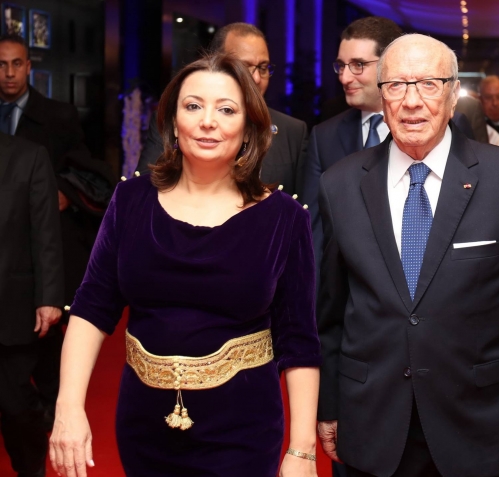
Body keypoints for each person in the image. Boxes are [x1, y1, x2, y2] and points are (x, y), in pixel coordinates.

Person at [316, 33, 499, 477]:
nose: (411, 101)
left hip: (481, 425)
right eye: (397, 85)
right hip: (374, 423)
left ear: (454, 94)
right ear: (381, 96)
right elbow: (330, 317)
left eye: (429, 84)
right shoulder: (339, 185)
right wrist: (329, 406)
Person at [49, 54, 321, 477]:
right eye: (193, 106)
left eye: (226, 110)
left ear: (249, 127)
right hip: (143, 424)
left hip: (244, 430)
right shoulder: (130, 201)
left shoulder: (284, 218)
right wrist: (68, 407)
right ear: (174, 122)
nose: (207, 121)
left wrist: (302, 451)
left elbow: (299, 339)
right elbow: (92, 307)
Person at [0, 33, 114, 431]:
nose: (9, 72)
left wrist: (63, 191)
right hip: (5, 244)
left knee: (44, 345)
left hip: (45, 242)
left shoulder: (57, 116)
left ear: (29, 67)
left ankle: (47, 418)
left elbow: (86, 168)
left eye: (16, 63)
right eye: (2, 64)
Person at [301, 16, 477, 271]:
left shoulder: (448, 124)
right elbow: (314, 231)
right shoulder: (324, 135)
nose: (345, 78)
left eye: (358, 65)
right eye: (341, 66)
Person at [136, 22, 308, 195]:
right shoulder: (179, 121)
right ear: (216, 64)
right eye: (244, 67)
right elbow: (146, 189)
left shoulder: (293, 131)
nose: (256, 78)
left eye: (263, 68)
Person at [0, 132, 64, 477]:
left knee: (15, 404)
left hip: (10, 305)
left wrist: (49, 297)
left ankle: (31, 469)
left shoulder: (29, 156)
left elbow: (45, 232)